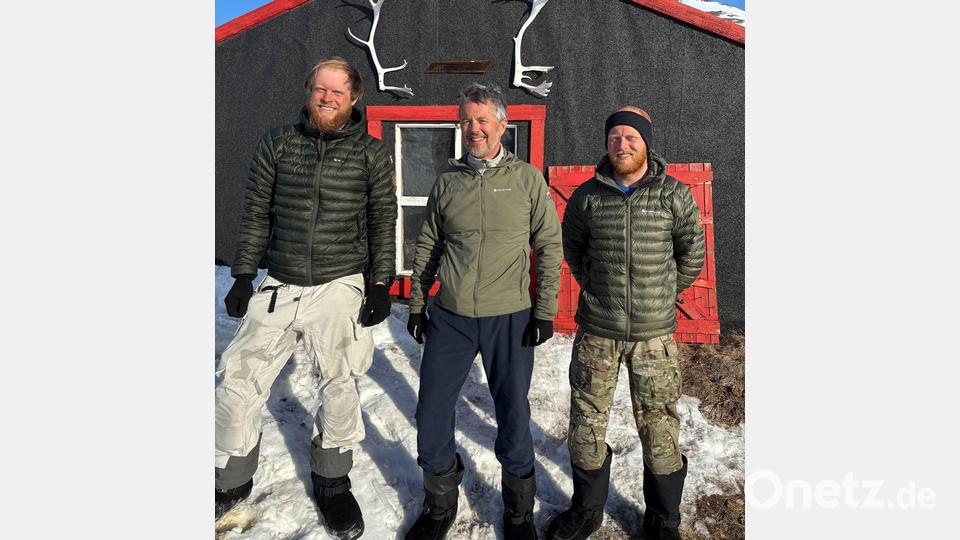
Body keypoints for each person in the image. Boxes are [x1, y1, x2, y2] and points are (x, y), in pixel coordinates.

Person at [214, 57, 397, 540]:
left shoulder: (371, 154)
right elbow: (256, 211)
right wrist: (243, 275)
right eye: (320, 89)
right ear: (308, 90)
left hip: (339, 281)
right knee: (237, 377)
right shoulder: (277, 143)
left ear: (354, 98)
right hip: (282, 280)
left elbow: (383, 221)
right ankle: (231, 476)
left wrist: (380, 284)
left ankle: (332, 482)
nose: (327, 98)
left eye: (337, 91)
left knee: (340, 382)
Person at [403, 83, 563, 540]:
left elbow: (549, 247)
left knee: (512, 414)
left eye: (482, 120)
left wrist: (544, 311)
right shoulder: (447, 181)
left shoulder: (527, 179)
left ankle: (518, 514)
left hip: (509, 317)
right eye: (466, 120)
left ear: (502, 125)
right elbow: (428, 244)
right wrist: (418, 303)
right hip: (451, 317)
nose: (473, 129)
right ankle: (439, 505)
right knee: (431, 412)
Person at [546, 107, 705, 540]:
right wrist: (597, 289)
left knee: (659, 423)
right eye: (615, 136)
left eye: (631, 137)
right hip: (598, 332)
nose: (622, 144)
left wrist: (662, 293)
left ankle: (663, 520)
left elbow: (692, 253)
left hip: (654, 338)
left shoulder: (673, 195)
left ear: (646, 143)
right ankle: (587, 510)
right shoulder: (587, 197)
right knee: (586, 419)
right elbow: (573, 250)